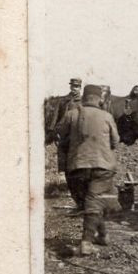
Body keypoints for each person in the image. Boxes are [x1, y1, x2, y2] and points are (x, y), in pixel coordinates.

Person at [56, 84, 121, 256]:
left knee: (89, 202)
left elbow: (60, 136)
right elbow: (115, 142)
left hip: (77, 166)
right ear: (99, 99)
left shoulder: (71, 114)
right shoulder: (107, 116)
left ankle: (103, 235)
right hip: (103, 167)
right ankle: (86, 243)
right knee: (94, 202)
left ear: (84, 98)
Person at [55, 78, 85, 210]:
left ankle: (83, 202)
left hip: (79, 138)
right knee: (68, 170)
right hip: (66, 137)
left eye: (77, 87)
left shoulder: (84, 102)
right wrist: (56, 132)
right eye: (73, 86)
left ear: (80, 88)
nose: (74, 89)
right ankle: (77, 201)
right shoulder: (65, 101)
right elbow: (57, 118)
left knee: (79, 170)